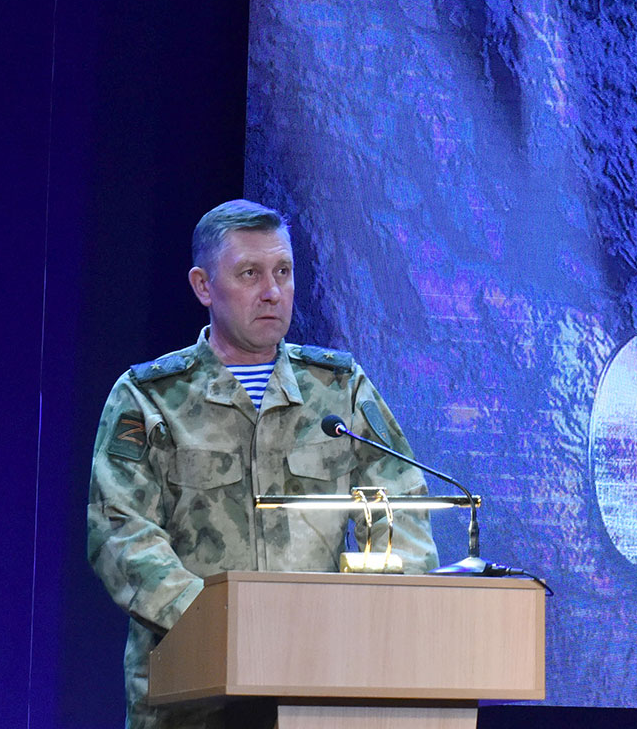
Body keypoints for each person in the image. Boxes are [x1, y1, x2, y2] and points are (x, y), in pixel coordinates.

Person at [88, 200, 437, 728]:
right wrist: (223, 628)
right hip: (192, 694)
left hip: (319, 686)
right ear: (204, 286)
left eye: (283, 272)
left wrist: (381, 622)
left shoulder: (339, 389)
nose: (272, 291)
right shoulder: (148, 397)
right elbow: (120, 533)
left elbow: (402, 506)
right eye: (250, 273)